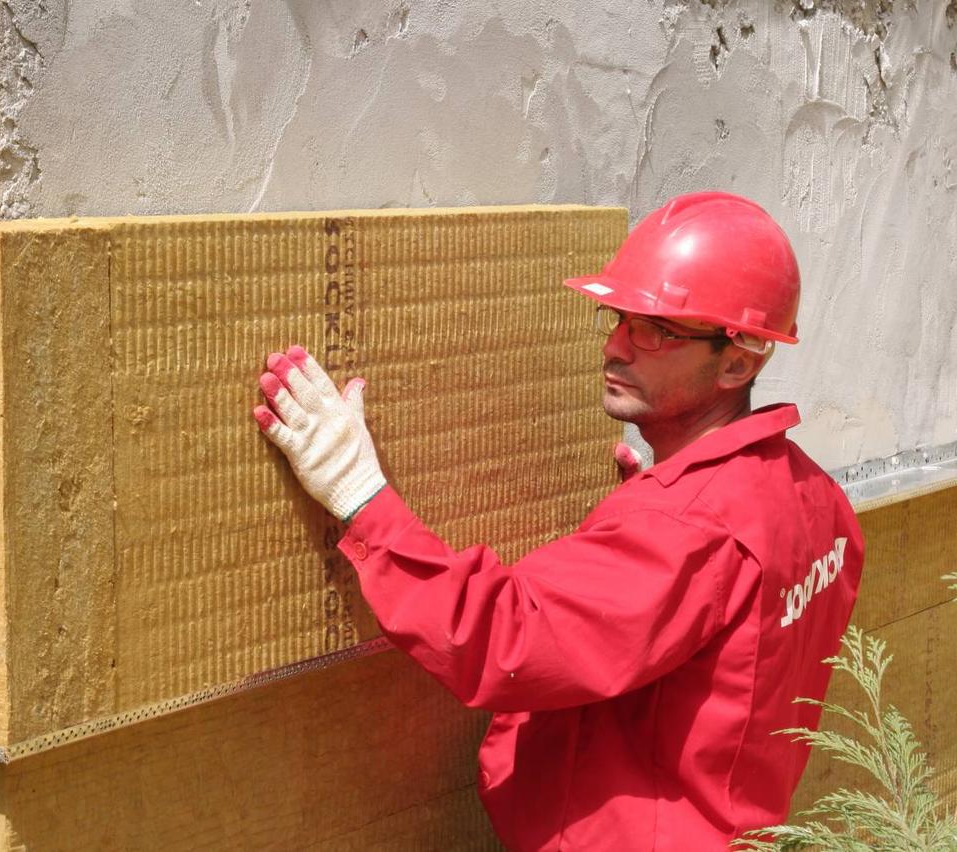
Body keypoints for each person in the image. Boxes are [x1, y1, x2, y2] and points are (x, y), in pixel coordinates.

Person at [252, 191, 864, 850]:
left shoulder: (688, 531)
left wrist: (360, 495)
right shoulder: (814, 499)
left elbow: (504, 640)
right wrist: (658, 512)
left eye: (656, 330)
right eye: (619, 318)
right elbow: (731, 637)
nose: (615, 346)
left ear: (738, 361)